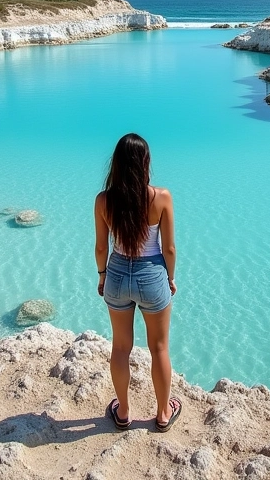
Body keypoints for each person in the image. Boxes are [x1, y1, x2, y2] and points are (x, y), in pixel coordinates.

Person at [94, 133, 181, 432]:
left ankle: (124, 413)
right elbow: (168, 248)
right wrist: (169, 278)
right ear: (145, 163)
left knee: (120, 347)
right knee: (159, 348)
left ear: (116, 163)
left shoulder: (104, 200)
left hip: (117, 274)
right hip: (151, 276)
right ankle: (163, 414)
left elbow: (101, 248)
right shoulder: (162, 197)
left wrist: (103, 275)